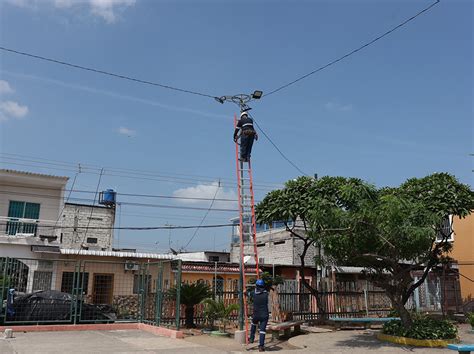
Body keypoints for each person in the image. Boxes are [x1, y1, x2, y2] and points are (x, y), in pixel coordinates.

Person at [249, 279, 269, 352]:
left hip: (256, 315)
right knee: (262, 331)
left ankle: (251, 339)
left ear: (256, 286)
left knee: (253, 324)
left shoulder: (253, 293)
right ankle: (261, 346)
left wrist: (245, 292)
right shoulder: (266, 293)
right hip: (264, 315)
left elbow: (247, 293)